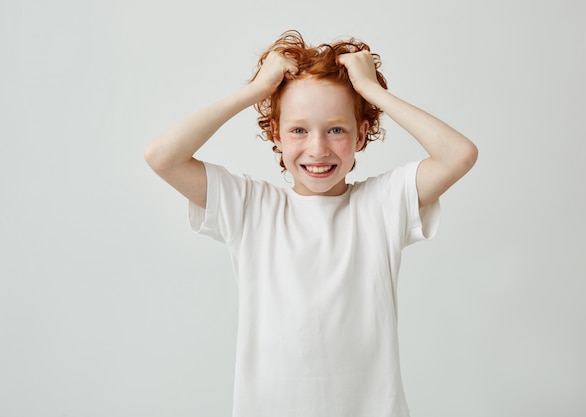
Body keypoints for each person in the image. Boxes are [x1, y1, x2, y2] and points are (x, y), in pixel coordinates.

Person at [145, 30, 477, 417]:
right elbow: (162, 156)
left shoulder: (381, 205)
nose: (317, 148)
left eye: (336, 129)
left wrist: (372, 91)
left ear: (361, 134)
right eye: (298, 130)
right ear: (276, 134)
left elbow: (459, 154)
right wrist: (254, 92)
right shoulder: (251, 208)